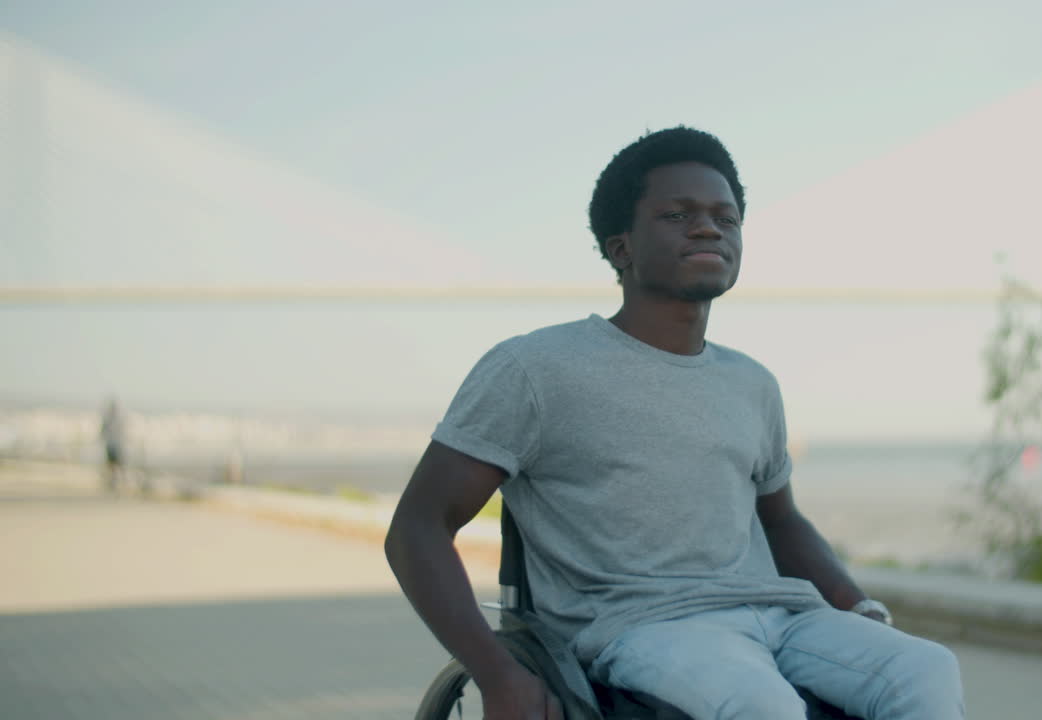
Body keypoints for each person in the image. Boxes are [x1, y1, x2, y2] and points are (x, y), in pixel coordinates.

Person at [385, 127, 965, 719]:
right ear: (621, 248)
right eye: (677, 214)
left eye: (726, 217)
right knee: (759, 704)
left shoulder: (752, 383)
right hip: (640, 627)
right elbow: (417, 528)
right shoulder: (535, 369)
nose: (709, 227)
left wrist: (860, 609)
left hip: (781, 617)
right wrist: (499, 674)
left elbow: (782, 520)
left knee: (924, 669)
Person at [100, 396, 127, 492]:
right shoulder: (115, 418)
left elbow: (102, 431)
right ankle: (115, 481)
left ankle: (117, 481)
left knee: (115, 465)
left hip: (115, 444)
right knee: (113, 465)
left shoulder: (116, 418)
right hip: (113, 444)